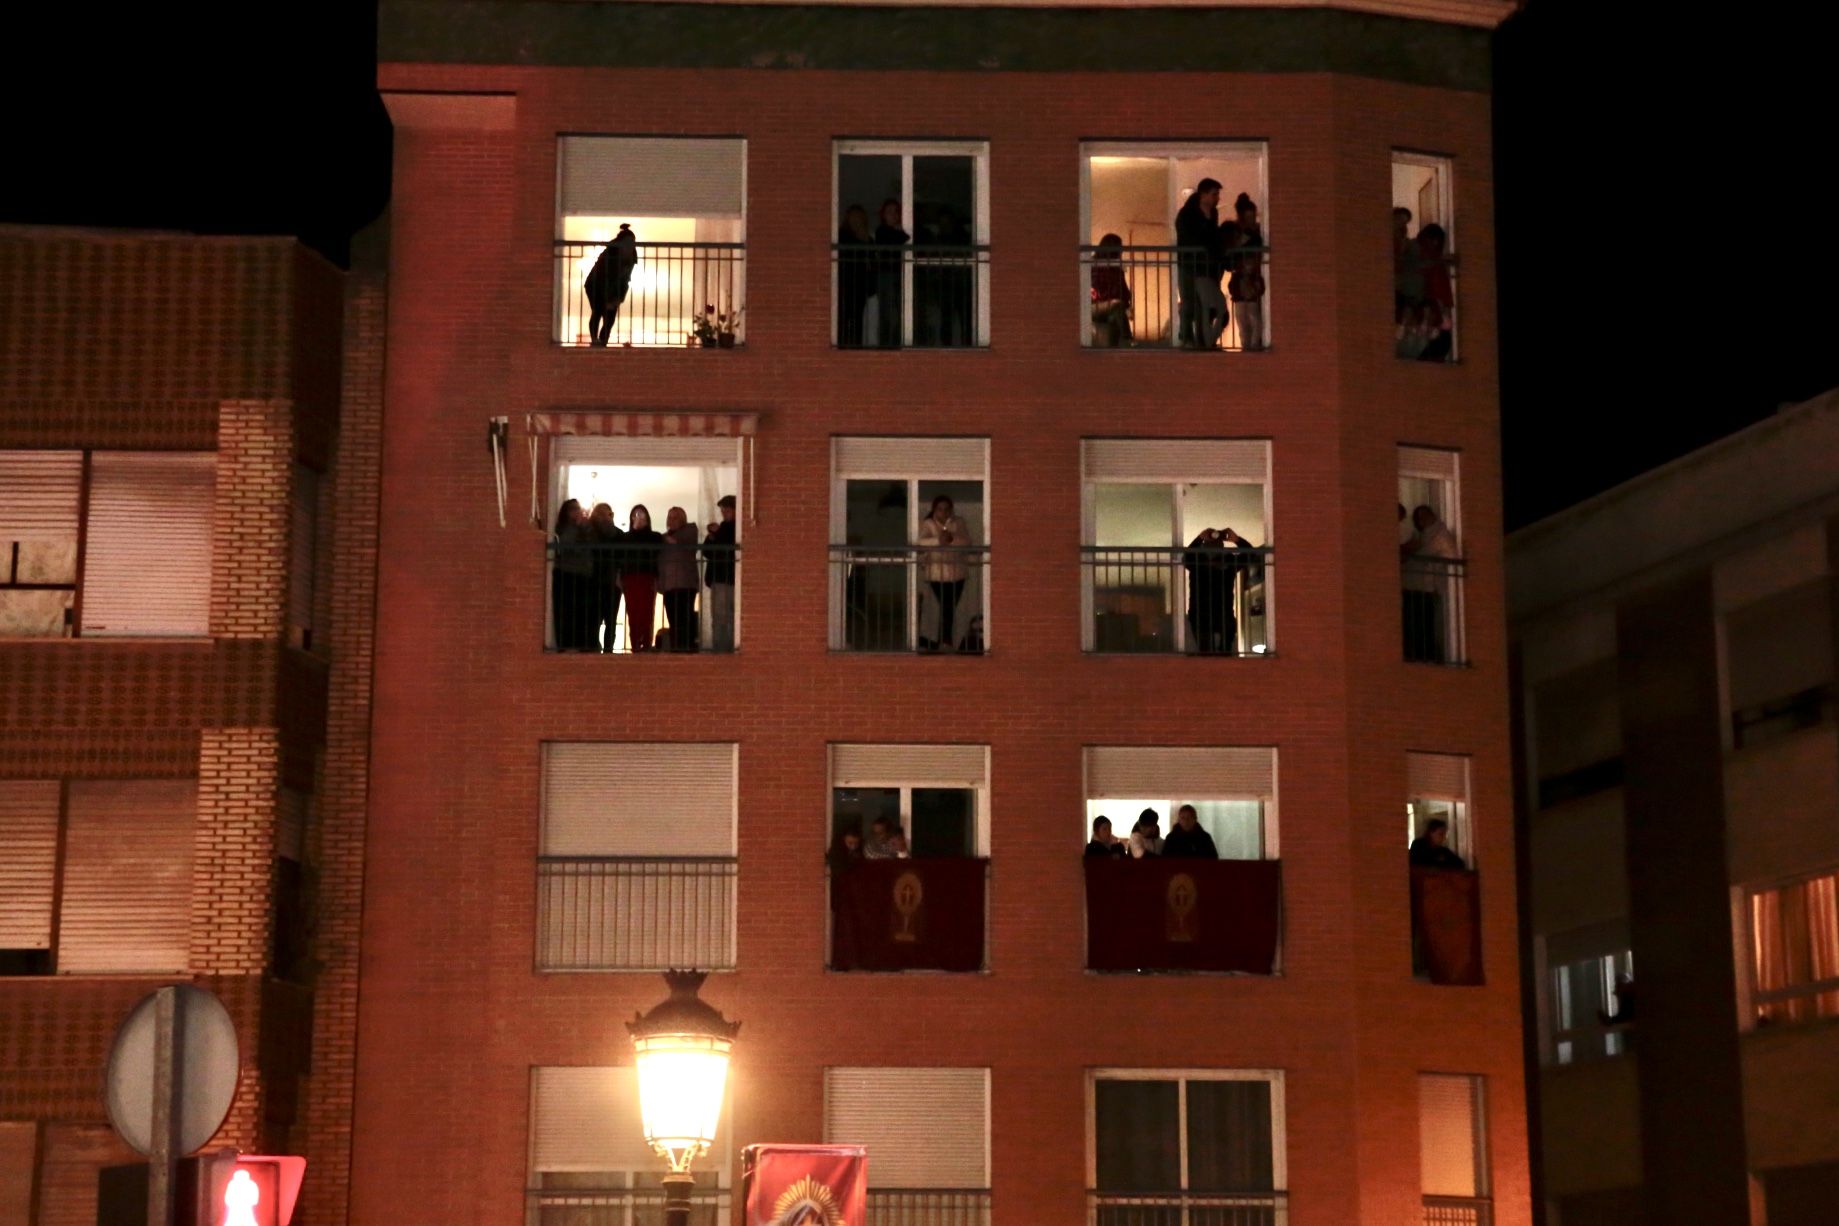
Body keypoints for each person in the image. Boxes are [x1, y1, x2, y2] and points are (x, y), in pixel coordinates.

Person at [1401, 505, 1459, 662]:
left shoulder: (1439, 534)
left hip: (1429, 587)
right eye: (1419, 517)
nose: (1423, 519)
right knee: (1419, 620)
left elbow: (1436, 553)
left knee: (1424, 622)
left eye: (1425, 515)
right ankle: (1419, 653)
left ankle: (1425, 655)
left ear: (1432, 515)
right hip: (1422, 587)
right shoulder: (1427, 536)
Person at [1175, 179, 1228, 349]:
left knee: (1205, 305)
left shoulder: (1213, 214)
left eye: (1217, 194)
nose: (1217, 198)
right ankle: (1188, 338)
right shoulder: (1186, 214)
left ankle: (1202, 340)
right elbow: (1189, 238)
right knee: (1189, 301)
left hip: (1206, 266)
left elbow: (1213, 238)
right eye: (1214, 194)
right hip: (1189, 264)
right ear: (1203, 194)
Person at [917, 495, 972, 652]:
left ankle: (943, 641)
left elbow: (967, 541)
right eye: (940, 509)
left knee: (949, 607)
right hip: (936, 574)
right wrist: (938, 540)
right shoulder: (928, 524)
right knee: (945, 606)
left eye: (947, 509)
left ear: (951, 509)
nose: (944, 512)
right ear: (935, 510)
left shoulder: (958, 522)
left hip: (957, 574)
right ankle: (943, 642)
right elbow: (921, 541)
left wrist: (952, 539)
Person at [1184, 527, 1249, 655]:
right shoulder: (1197, 560)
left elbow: (1251, 556)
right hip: (1202, 613)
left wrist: (1236, 539)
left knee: (1223, 651)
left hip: (1222, 613)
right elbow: (1185, 557)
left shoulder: (1228, 561)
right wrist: (1199, 538)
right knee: (1206, 650)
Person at [925, 205, 974, 347]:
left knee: (965, 318)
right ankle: (946, 346)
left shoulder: (963, 237)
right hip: (946, 284)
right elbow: (934, 260)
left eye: (947, 222)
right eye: (942, 223)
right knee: (946, 318)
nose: (944, 226)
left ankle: (968, 344)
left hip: (961, 284)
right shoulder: (939, 239)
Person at [617, 504, 664, 652]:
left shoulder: (655, 537)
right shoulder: (625, 538)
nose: (639, 517)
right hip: (630, 578)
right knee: (633, 612)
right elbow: (621, 557)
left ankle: (646, 644)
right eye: (635, 515)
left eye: (642, 515)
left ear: (648, 518)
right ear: (631, 518)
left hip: (647, 577)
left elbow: (656, 547)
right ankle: (636, 645)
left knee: (647, 612)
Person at [584, 223, 638, 347]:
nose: (630, 246)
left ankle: (603, 342)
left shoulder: (632, 256)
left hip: (615, 287)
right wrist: (608, 298)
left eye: (632, 243)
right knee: (598, 310)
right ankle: (594, 340)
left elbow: (626, 279)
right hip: (595, 285)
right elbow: (604, 277)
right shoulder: (611, 252)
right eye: (628, 243)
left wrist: (617, 299)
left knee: (610, 318)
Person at [1225, 194, 1267, 351]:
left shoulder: (1256, 233)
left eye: (1253, 216)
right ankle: (1246, 347)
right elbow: (1231, 253)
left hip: (1252, 275)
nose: (1251, 219)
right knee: (1242, 317)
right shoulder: (1237, 232)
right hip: (1240, 276)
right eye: (1248, 216)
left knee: (1254, 316)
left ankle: (1254, 346)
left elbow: (1258, 254)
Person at [550, 499, 594, 651]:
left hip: (582, 574)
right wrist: (575, 527)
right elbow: (567, 545)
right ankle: (565, 644)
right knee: (565, 610)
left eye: (578, 509)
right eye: (572, 509)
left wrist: (584, 527)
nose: (576, 512)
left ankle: (581, 644)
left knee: (581, 611)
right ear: (566, 513)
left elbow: (590, 546)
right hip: (566, 573)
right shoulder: (563, 528)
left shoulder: (587, 528)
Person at [659, 506, 701, 652]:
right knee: (674, 621)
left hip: (685, 584)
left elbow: (684, 544)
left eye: (675, 517)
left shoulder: (690, 530)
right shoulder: (664, 538)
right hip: (669, 586)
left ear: (682, 519)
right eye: (670, 517)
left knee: (684, 619)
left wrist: (667, 540)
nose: (672, 520)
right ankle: (676, 650)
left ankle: (686, 650)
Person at [703, 494, 738, 652]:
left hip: (729, 578)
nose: (724, 513)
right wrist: (711, 537)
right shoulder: (722, 528)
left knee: (729, 617)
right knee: (719, 617)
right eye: (723, 510)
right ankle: (720, 648)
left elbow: (730, 547)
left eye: (727, 510)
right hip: (719, 578)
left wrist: (716, 535)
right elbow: (706, 552)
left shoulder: (735, 529)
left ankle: (729, 648)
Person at [836, 205, 875, 347]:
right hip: (845, 283)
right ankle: (841, 344)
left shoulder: (868, 239)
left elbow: (872, 261)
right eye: (853, 217)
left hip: (860, 284)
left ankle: (855, 345)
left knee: (857, 317)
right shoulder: (843, 236)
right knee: (843, 317)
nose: (856, 221)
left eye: (859, 218)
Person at [1415, 223, 1454, 362]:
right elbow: (1439, 292)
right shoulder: (1434, 264)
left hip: (1426, 317)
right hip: (1430, 317)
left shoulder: (1425, 261)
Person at [587, 502, 624, 653]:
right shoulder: (592, 533)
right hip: (600, 580)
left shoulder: (593, 532)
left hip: (605, 580)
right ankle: (602, 648)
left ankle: (601, 648)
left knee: (606, 619)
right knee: (602, 618)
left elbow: (622, 558)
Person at [873, 199, 909, 348]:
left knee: (899, 311)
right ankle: (886, 344)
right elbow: (902, 238)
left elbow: (903, 238)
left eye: (896, 212)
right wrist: (898, 231)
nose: (893, 215)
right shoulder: (881, 231)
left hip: (898, 274)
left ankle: (896, 342)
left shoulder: (896, 231)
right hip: (886, 275)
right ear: (883, 215)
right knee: (887, 312)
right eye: (889, 212)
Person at [1089, 232, 1134, 348]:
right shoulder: (1093, 265)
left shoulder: (1117, 269)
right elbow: (1095, 290)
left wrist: (1127, 305)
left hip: (1112, 307)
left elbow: (1125, 292)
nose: (1121, 252)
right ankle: (1127, 340)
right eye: (1120, 248)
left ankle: (1113, 352)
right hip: (1094, 306)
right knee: (1116, 305)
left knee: (1115, 317)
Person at [1393, 206, 1425, 357]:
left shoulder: (1407, 243)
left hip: (1403, 285)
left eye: (1405, 222)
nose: (1402, 225)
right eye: (1399, 220)